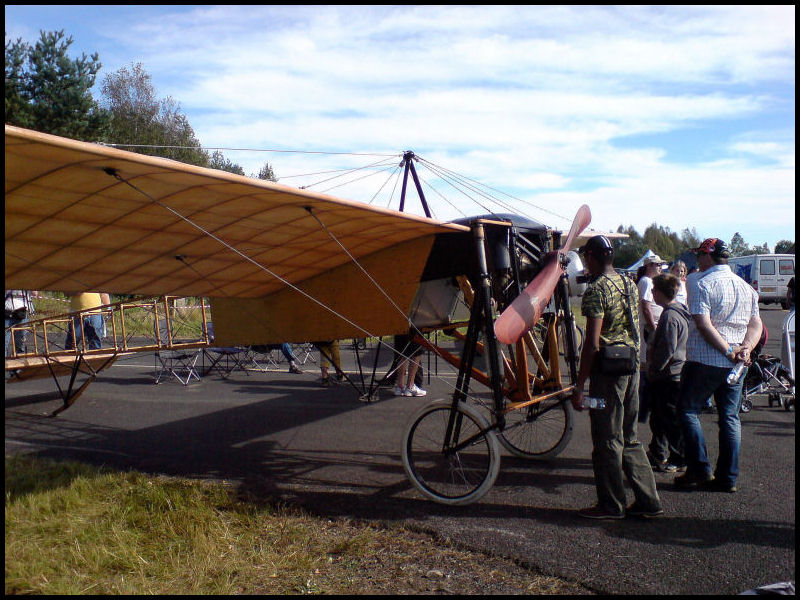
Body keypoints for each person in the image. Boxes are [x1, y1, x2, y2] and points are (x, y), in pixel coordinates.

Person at [571, 235, 663, 519]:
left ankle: (611, 504)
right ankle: (648, 500)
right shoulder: (627, 283)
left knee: (607, 438)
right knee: (630, 436)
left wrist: (580, 385)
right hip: (631, 366)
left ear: (591, 257)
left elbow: (592, 343)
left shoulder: (596, 290)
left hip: (607, 373)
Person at [675, 238, 762, 493]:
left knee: (687, 410)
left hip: (706, 360)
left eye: (699, 256)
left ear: (707, 256)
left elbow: (703, 324)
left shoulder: (701, 283)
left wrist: (727, 350)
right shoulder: (746, 288)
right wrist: (746, 348)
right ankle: (728, 477)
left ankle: (699, 469)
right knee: (730, 417)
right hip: (737, 364)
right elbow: (756, 323)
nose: (697, 261)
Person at [646, 273, 690, 473]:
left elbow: (667, 349)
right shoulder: (679, 311)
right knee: (659, 416)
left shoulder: (670, 317)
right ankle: (658, 452)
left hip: (669, 375)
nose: (652, 293)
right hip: (673, 373)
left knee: (670, 419)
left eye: (654, 289)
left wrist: (654, 368)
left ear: (660, 292)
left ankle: (679, 457)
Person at [637, 255, 666, 423]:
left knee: (648, 364)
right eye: (657, 264)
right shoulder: (647, 282)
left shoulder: (648, 282)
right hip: (648, 329)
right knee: (646, 364)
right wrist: (653, 329)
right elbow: (646, 307)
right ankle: (643, 406)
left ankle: (645, 405)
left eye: (661, 264)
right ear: (648, 266)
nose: (660, 267)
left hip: (650, 327)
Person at [392, 333, 427, 397]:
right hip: (413, 329)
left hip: (398, 329)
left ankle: (400, 386)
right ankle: (410, 386)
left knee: (401, 352)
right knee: (417, 353)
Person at [5, 290, 34, 357]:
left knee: (20, 343)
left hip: (21, 314)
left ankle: (19, 362)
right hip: (7, 312)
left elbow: (35, 293)